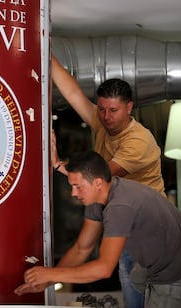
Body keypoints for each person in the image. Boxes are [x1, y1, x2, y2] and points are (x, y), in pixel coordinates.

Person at [15, 150, 181, 308]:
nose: (73, 193)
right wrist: (47, 281)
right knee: (137, 279)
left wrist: (51, 274)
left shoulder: (120, 207)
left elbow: (104, 269)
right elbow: (82, 248)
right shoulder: (98, 197)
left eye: (77, 186)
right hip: (154, 265)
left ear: (98, 183)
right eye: (71, 186)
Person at [51, 54, 166, 307]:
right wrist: (45, 54)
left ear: (129, 107)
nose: (106, 116)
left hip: (150, 235)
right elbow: (72, 93)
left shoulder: (138, 142)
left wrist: (59, 164)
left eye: (113, 110)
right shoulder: (103, 121)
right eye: (101, 109)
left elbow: (101, 175)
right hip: (121, 223)